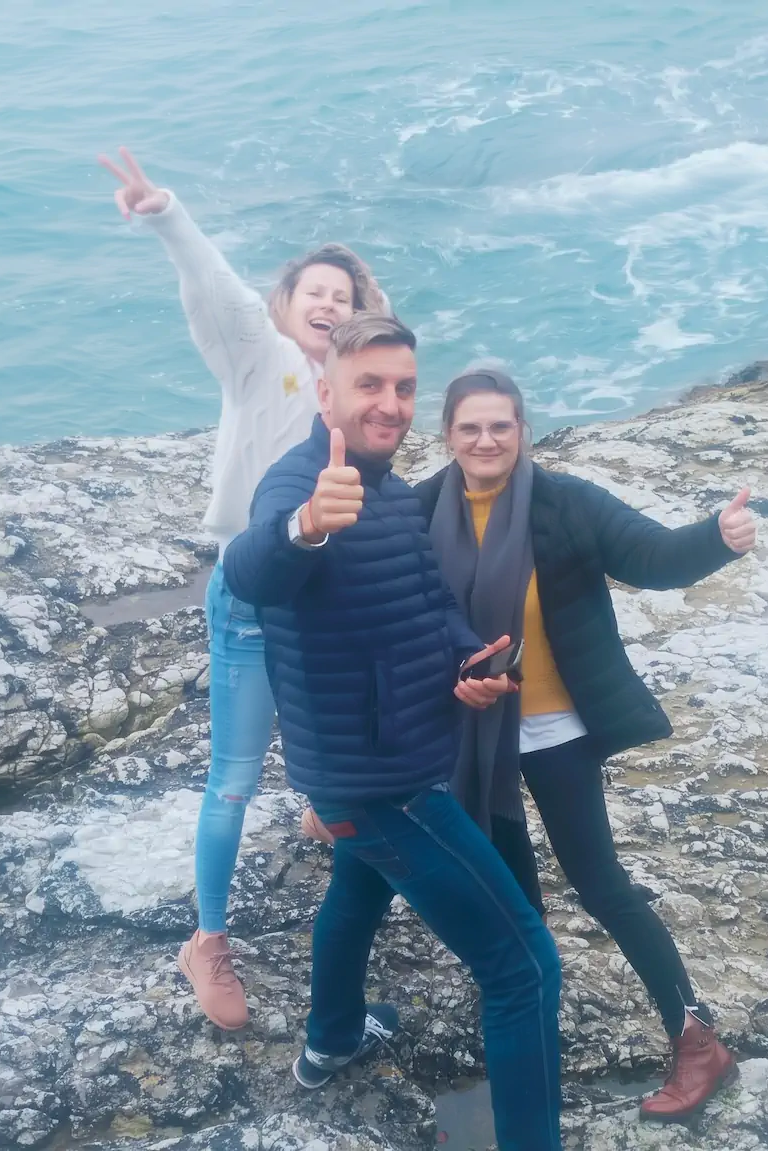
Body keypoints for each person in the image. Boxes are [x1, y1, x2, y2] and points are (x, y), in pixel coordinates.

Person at [222, 314, 564, 1151]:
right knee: (524, 968)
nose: (389, 402)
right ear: (326, 389)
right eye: (369, 384)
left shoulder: (385, 487)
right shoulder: (306, 483)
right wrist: (304, 525)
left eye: (404, 387)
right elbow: (250, 568)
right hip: (383, 786)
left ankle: (331, 1035)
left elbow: (424, 602)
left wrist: (467, 658)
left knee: (356, 889)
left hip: (391, 759)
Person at [410, 366, 756, 1123]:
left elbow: (650, 556)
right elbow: (399, 620)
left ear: (523, 430)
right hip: (469, 737)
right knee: (515, 901)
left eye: (500, 424)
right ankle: (532, 1043)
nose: (486, 438)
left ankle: (697, 1040)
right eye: (469, 426)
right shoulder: (417, 512)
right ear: (446, 435)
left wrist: (716, 539)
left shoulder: (563, 503)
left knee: (600, 885)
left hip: (556, 731)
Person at [99, 147, 388, 1030]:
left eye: (344, 295)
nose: (330, 303)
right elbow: (216, 289)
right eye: (316, 293)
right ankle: (207, 941)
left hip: (326, 590)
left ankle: (319, 805)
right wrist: (164, 213)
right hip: (253, 591)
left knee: (337, 732)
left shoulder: (354, 394)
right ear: (285, 307)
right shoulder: (259, 358)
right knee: (232, 776)